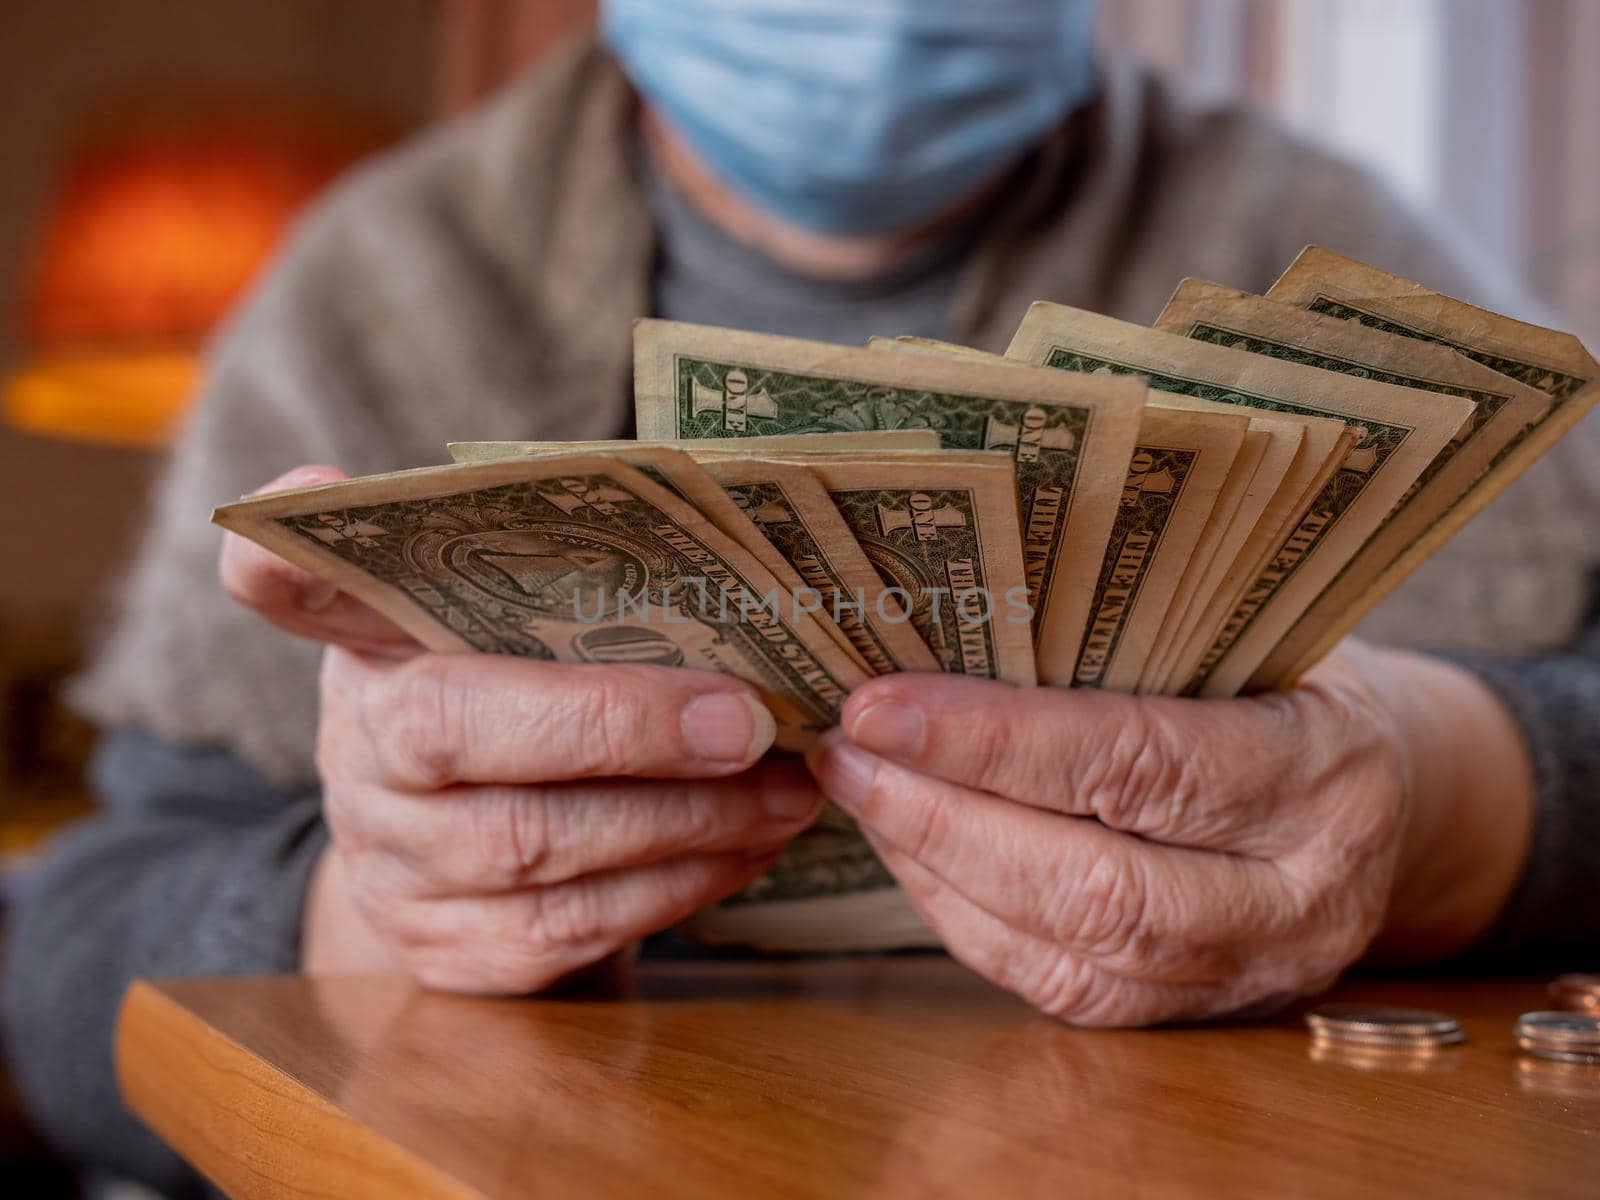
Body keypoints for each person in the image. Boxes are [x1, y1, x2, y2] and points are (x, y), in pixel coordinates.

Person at [5, 1, 1598, 1194]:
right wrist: (371, 911)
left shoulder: (1351, 238)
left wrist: (1445, 804)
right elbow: (71, 977)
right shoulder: (370, 284)